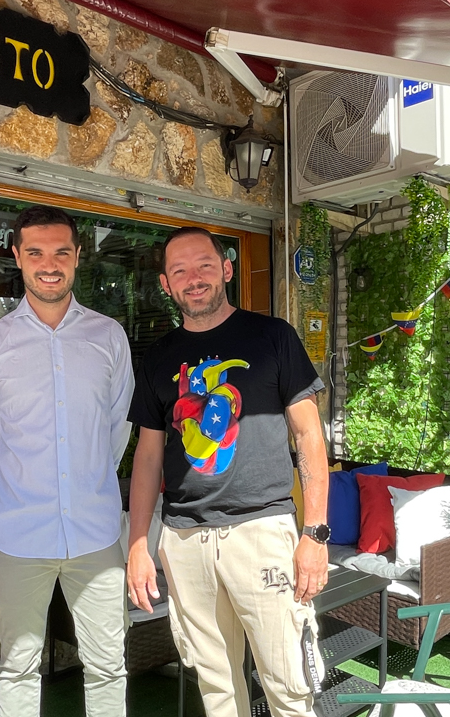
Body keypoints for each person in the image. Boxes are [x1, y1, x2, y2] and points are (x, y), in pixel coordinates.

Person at [127, 226, 330, 717]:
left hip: (261, 533)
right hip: (184, 541)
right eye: (179, 271)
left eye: (203, 265)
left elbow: (308, 437)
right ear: (166, 284)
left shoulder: (272, 337)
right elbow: (149, 457)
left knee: (289, 688)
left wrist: (315, 535)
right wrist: (139, 545)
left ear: (227, 270)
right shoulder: (157, 360)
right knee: (217, 690)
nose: (192, 279)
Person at [0, 205, 134, 717]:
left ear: (78, 257)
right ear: (16, 256)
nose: (49, 263)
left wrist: (83, 480)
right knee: (17, 666)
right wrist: (30, 485)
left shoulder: (109, 336)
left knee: (109, 664)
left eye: (61, 251)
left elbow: (117, 429)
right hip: (19, 534)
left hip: (96, 532)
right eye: (35, 251)